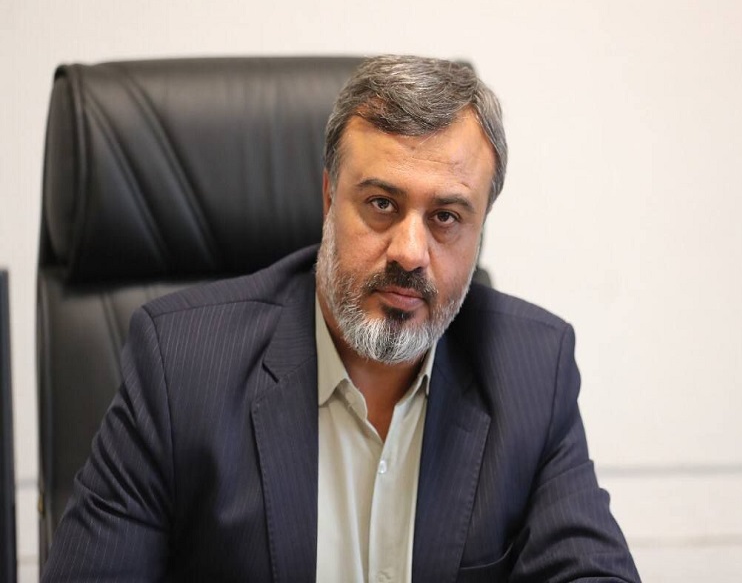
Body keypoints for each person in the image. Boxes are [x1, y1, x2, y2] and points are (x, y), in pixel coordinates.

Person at [42, 55, 640, 582]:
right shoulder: (181, 365)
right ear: (329, 198)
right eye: (382, 204)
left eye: (446, 218)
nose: (410, 252)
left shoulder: (532, 370)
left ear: (480, 228)